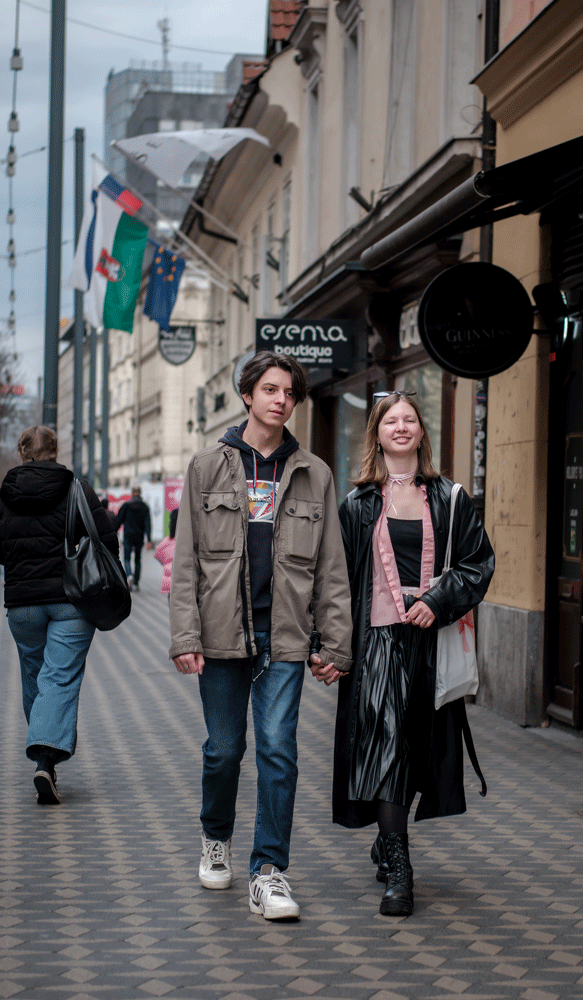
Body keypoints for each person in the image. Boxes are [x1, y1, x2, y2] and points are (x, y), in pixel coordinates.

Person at [169, 351, 352, 921]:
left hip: (285, 636)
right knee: (225, 751)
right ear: (247, 395)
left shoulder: (314, 473)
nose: (281, 399)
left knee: (278, 750)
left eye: (289, 392)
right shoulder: (207, 468)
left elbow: (332, 567)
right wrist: (185, 635)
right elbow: (186, 562)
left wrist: (337, 643)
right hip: (222, 634)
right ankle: (215, 839)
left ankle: (269, 872)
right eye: (270, 389)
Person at [334, 392, 495, 917]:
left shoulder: (449, 497)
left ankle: (388, 837)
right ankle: (400, 868)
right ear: (377, 433)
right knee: (386, 747)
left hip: (427, 643)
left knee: (415, 747)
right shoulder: (357, 504)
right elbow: (335, 584)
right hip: (376, 645)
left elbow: (478, 563)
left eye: (410, 420)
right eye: (390, 421)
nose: (401, 427)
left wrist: (437, 600)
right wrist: (328, 645)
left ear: (422, 432)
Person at [0, 426, 119, 804]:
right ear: (55, 451)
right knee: (60, 677)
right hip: (71, 599)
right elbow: (107, 540)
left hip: (22, 603)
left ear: (22, 452)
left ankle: (43, 757)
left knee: (35, 674)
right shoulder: (76, 489)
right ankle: (46, 759)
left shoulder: (5, 493)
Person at [114, 485, 152, 591]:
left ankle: (129, 575)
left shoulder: (126, 505)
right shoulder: (145, 507)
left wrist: (114, 531)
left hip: (128, 535)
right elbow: (148, 524)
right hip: (139, 536)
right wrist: (149, 539)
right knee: (138, 559)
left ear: (132, 493)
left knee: (126, 558)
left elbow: (118, 520)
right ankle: (136, 582)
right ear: (140, 493)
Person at [154, 508, 178, 598]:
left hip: (169, 581)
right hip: (182, 581)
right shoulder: (185, 540)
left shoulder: (169, 539)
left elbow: (157, 552)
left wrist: (166, 563)